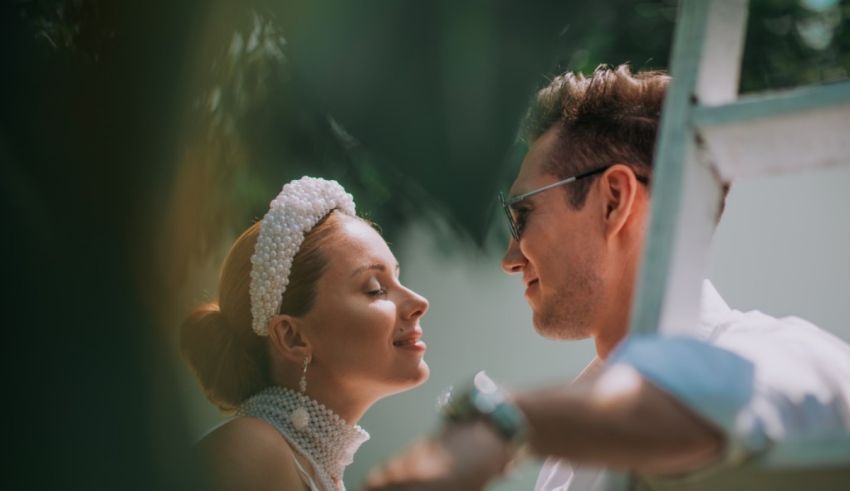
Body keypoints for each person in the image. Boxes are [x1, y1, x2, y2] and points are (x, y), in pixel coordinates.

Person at [362, 65, 850, 490]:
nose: (509, 257)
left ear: (613, 200)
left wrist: (499, 421)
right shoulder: (568, 451)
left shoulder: (779, 351)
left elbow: (735, 389)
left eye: (522, 215)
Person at [180, 176, 430, 491]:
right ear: (292, 337)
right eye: (375, 289)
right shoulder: (250, 450)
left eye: (397, 278)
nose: (419, 302)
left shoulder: (314, 470)